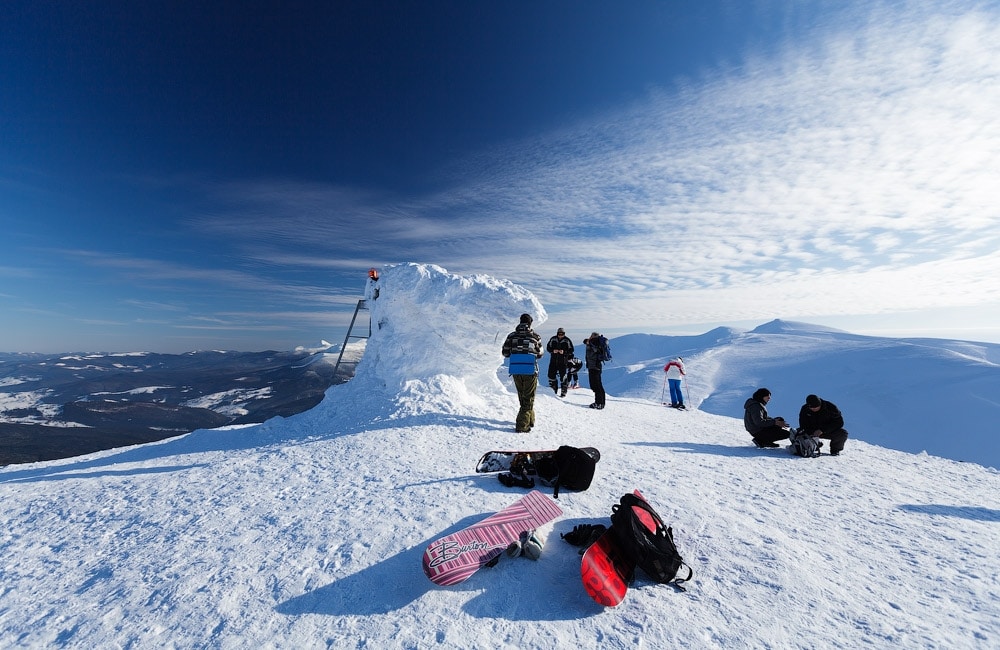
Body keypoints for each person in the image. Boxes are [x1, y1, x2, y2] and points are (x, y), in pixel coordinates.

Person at [501, 313, 544, 433]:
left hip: (516, 369)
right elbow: (540, 354)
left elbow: (505, 352)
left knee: (522, 395)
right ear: (530, 323)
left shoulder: (511, 336)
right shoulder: (535, 336)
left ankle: (530, 419)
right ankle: (522, 425)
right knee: (529, 396)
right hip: (530, 370)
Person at [546, 327, 574, 397]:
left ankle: (563, 392)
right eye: (559, 334)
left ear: (564, 334)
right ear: (557, 333)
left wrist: (564, 352)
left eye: (562, 334)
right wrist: (553, 350)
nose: (560, 335)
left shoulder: (567, 340)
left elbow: (571, 350)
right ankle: (553, 391)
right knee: (551, 376)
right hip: (553, 361)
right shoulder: (553, 339)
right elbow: (548, 347)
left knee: (563, 377)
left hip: (563, 362)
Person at [584, 333, 607, 410]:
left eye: (591, 336)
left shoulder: (594, 343)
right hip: (594, 366)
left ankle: (599, 403)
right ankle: (601, 403)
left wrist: (589, 343)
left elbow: (593, 352)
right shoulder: (594, 343)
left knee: (596, 385)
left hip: (594, 367)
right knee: (597, 385)